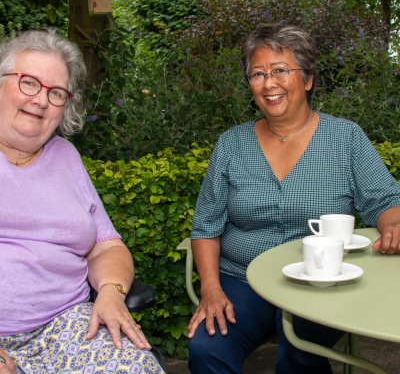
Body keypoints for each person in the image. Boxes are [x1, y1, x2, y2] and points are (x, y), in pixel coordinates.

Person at [188, 23, 400, 374]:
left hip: (322, 281)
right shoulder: (231, 144)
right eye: (258, 74)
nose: (269, 83)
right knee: (207, 347)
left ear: (308, 79)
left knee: (298, 355)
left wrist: (393, 222)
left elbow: (384, 199)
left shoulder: (346, 138)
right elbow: (206, 226)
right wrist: (211, 288)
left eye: (281, 70)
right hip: (243, 280)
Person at [0, 29, 164, 374]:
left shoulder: (65, 156)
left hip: (68, 326)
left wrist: (110, 292)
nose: (41, 100)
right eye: (28, 82)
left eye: (56, 92)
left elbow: (107, 247)